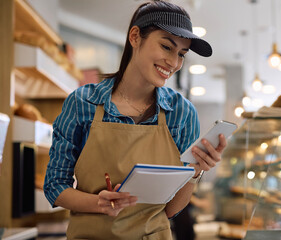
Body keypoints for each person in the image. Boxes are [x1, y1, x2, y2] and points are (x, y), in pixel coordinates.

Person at [44, 1, 227, 239]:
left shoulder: (182, 113)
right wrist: (97, 203)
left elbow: (171, 210)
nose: (173, 63)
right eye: (166, 47)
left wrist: (195, 172)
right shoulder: (82, 103)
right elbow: (55, 186)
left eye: (181, 54)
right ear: (135, 36)